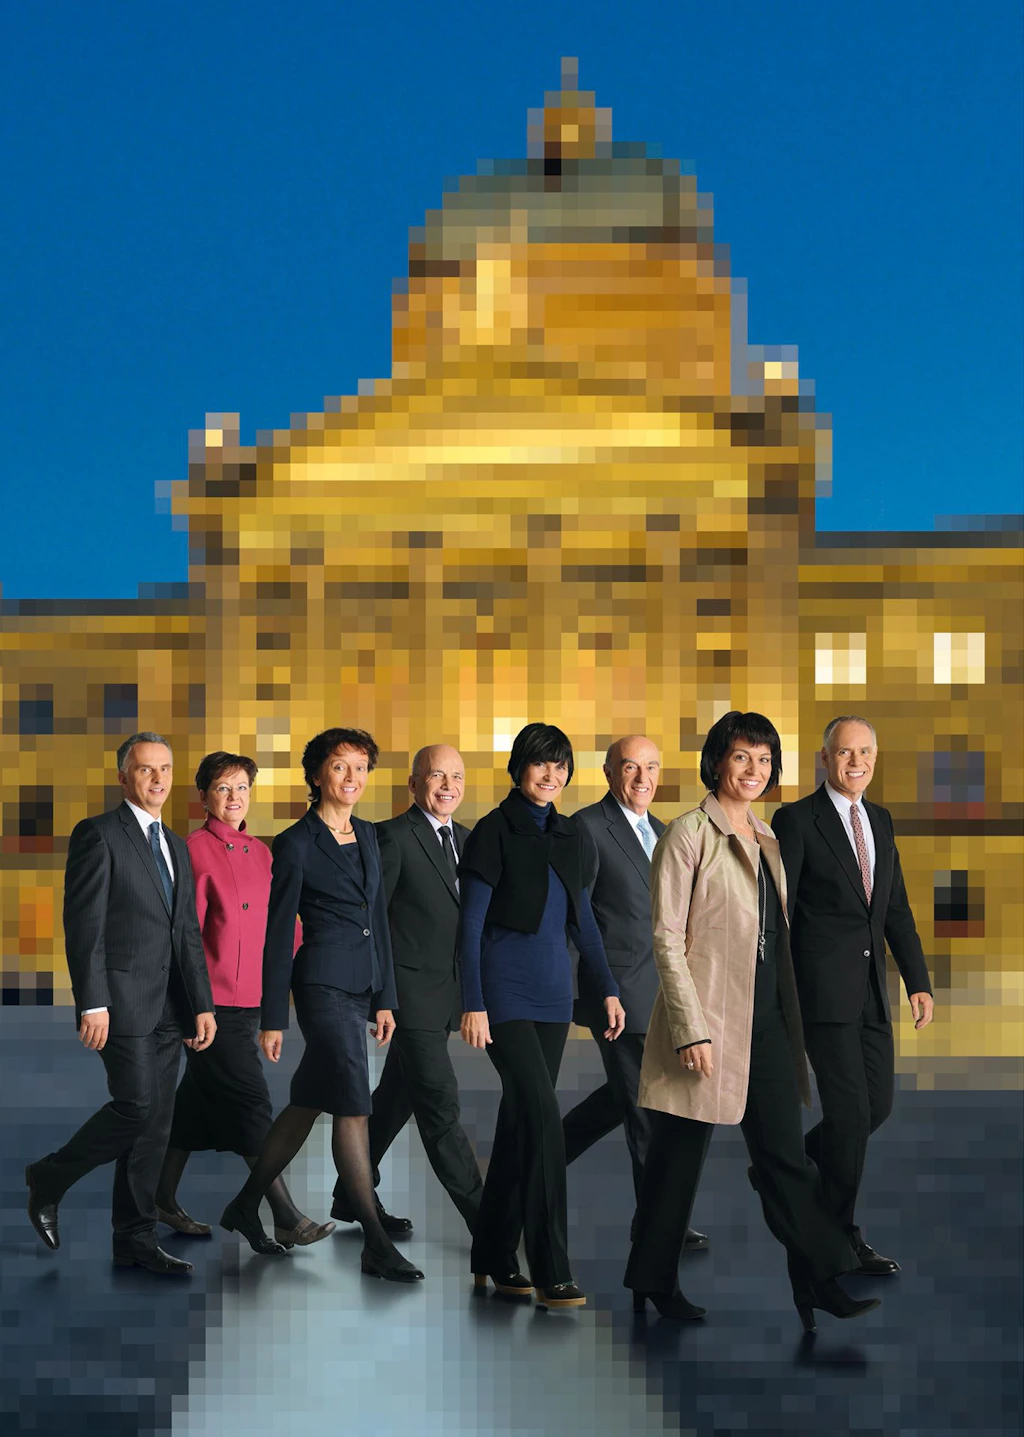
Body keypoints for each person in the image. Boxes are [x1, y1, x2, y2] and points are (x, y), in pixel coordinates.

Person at [626, 712, 879, 1333]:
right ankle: (652, 1279)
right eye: (742, 757)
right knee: (676, 1162)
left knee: (785, 1159)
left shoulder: (766, 837)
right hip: (707, 1023)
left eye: (764, 760)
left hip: (766, 1023)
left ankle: (817, 1280)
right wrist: (690, 1029)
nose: (753, 770)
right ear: (717, 762)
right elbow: (666, 940)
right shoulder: (687, 835)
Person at [221, 727, 423, 1282]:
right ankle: (376, 1244)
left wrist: (386, 998)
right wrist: (272, 1018)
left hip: (363, 989)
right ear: (317, 776)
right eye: (340, 767)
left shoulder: (369, 836)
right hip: (320, 987)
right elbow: (277, 931)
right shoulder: (294, 844)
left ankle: (245, 1204)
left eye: (361, 767)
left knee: (309, 1100)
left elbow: (378, 919)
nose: (352, 778)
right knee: (354, 1103)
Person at [25, 732, 216, 1276]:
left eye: (165, 769)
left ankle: (133, 1238)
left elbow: (186, 934)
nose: (157, 779)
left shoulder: (176, 845)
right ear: (122, 777)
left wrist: (200, 1003)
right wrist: (92, 1003)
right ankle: (50, 1176)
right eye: (144, 769)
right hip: (121, 1001)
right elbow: (83, 925)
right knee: (134, 1106)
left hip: (170, 1009)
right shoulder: (99, 835)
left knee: (155, 1124)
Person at [460, 723, 626, 1308]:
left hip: (554, 996)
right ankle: (551, 1267)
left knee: (518, 1126)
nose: (550, 775)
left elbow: (585, 923)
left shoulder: (570, 836)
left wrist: (604, 988)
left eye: (560, 766)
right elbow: (470, 927)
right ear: (518, 768)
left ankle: (492, 1255)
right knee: (543, 1119)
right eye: (540, 764)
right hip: (502, 993)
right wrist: (472, 1001)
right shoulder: (491, 832)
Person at [771, 716, 934, 1275]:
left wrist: (917, 981)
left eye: (865, 752)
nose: (856, 763)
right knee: (848, 1115)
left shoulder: (881, 821)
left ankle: (784, 1170)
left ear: (875, 756)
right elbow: (779, 910)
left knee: (876, 1107)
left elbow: (894, 908)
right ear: (825, 758)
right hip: (820, 992)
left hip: (871, 994)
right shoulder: (796, 820)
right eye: (844, 753)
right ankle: (838, 1237)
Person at [155, 751, 332, 1248]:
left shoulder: (263, 851)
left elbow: (284, 927)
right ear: (205, 797)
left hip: (251, 996)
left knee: (196, 1106)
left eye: (242, 788)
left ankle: (160, 1196)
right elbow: (183, 933)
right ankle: (282, 1213)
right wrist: (192, 1005)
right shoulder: (193, 849)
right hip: (209, 1003)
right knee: (253, 1103)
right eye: (223, 788)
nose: (234, 798)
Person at [330, 744, 483, 1234]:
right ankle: (490, 1224)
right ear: (413, 784)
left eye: (456, 777)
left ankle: (348, 1194)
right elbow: (372, 922)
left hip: (446, 996)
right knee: (440, 1105)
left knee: (397, 1093)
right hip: (408, 997)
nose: (447, 787)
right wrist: (384, 998)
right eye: (436, 776)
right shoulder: (391, 837)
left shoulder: (468, 840)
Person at [563, 735, 707, 1253]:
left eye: (651, 767)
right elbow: (576, 916)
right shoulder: (587, 828)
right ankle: (658, 1223)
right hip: (619, 995)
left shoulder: (666, 831)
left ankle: (531, 1168)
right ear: (608, 773)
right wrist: (597, 989)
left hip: (666, 992)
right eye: (630, 768)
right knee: (647, 1111)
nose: (642, 778)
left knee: (628, 1100)